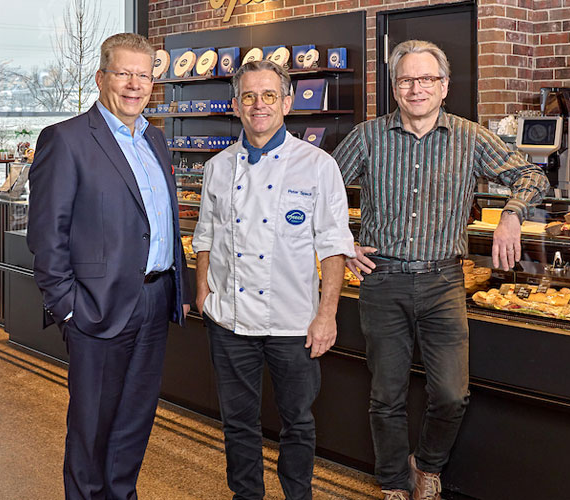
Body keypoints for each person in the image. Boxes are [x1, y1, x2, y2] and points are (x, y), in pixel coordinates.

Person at [331, 40, 549, 500]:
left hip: (444, 280)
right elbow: (318, 188)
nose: (417, 88)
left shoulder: (470, 137)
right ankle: (393, 482)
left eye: (427, 79)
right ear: (394, 87)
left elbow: (533, 175)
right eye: (407, 79)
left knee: (451, 394)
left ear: (445, 86)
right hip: (381, 280)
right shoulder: (368, 137)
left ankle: (427, 465)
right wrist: (343, 242)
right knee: (385, 396)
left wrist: (512, 213)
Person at [26, 33, 190, 500]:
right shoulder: (66, 139)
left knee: (134, 424)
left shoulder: (155, 138)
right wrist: (69, 307)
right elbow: (47, 235)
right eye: (124, 73)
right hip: (97, 309)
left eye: (144, 75)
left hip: (156, 300)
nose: (135, 85)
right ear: (101, 77)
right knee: (92, 430)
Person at [192, 59, 355, 500]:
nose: (258, 105)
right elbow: (205, 235)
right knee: (238, 422)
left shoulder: (318, 165)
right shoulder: (218, 167)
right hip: (230, 320)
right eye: (248, 96)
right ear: (235, 105)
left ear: (286, 103)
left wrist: (327, 315)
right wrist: (204, 294)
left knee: (297, 421)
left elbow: (333, 245)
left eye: (268, 96)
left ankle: (296, 494)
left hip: (294, 322)